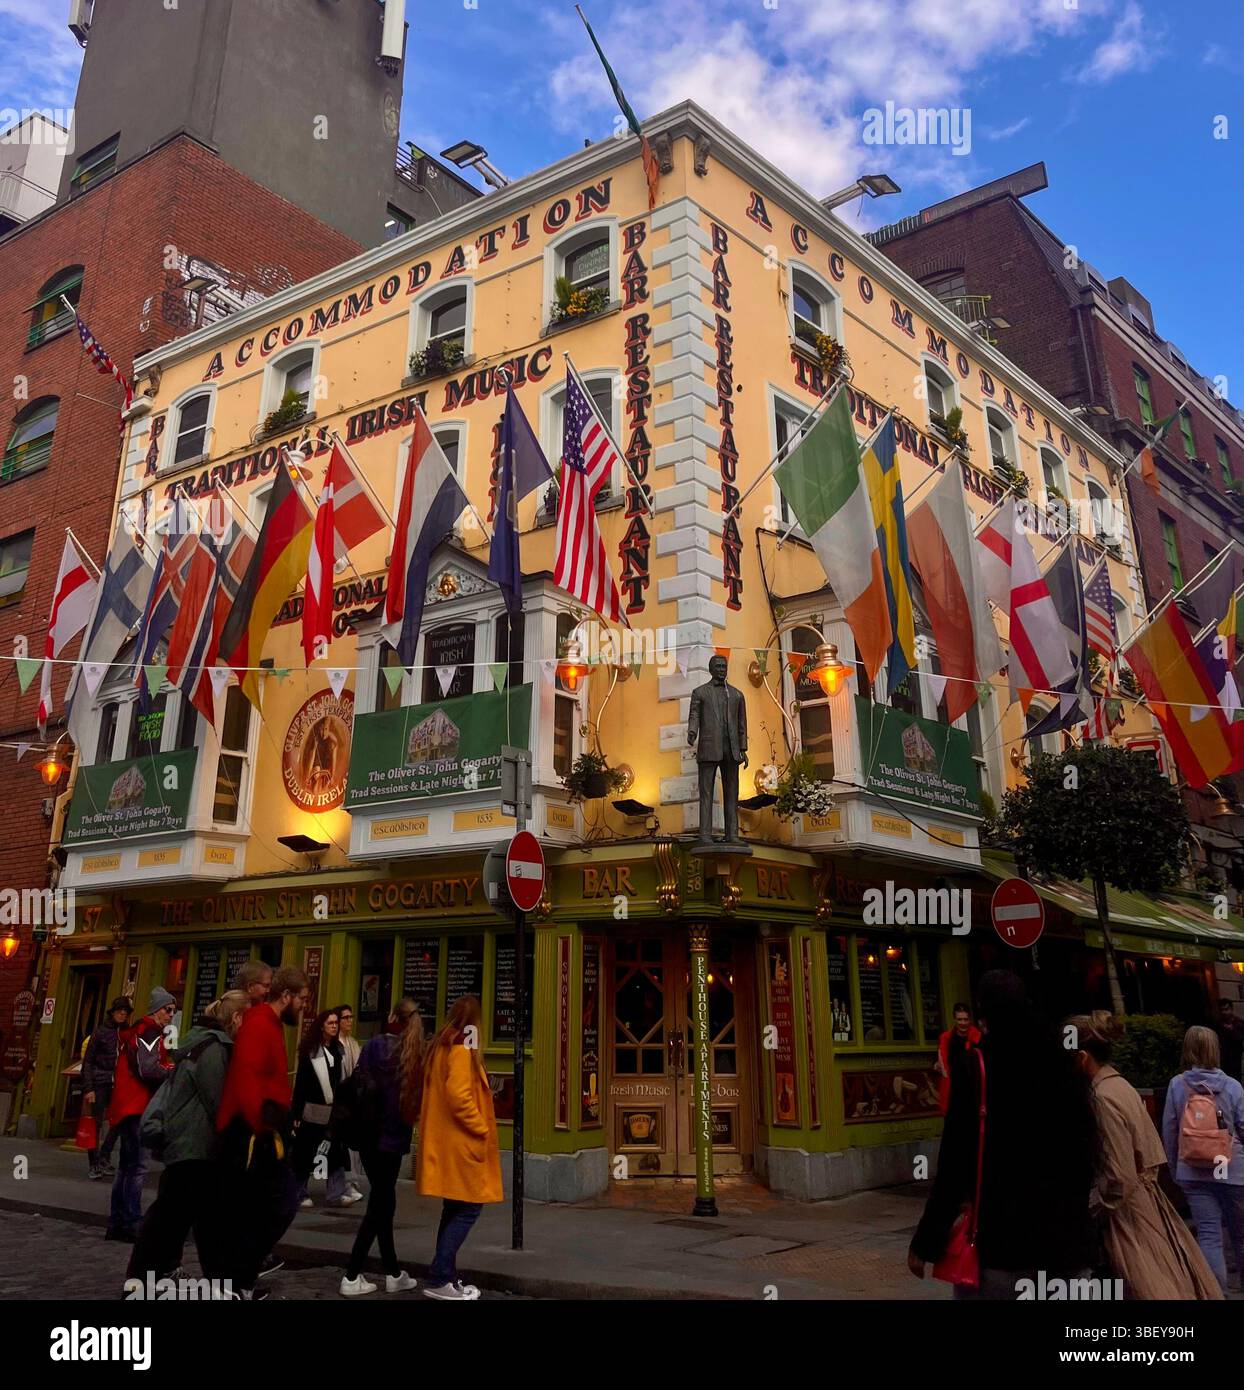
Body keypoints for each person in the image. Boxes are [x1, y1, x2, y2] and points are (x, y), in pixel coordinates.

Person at [907, 970, 1098, 1299]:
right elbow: (1088, 1149)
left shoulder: (977, 1066)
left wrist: (928, 1239)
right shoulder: (1065, 1062)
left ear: (985, 1011)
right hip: (1067, 1243)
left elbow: (955, 1162)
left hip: (1003, 1244)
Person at [1068, 1012, 1220, 1299]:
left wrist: (1087, 1210)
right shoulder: (1121, 1086)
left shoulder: (1101, 1097)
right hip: (1148, 1205)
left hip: (1128, 1217)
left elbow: (1118, 1179)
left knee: (1150, 1288)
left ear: (1082, 1058)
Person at [127, 991, 248, 1286]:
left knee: (192, 1219)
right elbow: (217, 1100)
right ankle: (140, 1280)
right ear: (235, 1018)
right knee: (174, 1218)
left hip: (189, 1143)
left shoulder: (198, 1042)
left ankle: (222, 1282)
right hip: (194, 1144)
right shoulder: (214, 1048)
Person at [216, 966, 309, 1299]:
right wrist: (264, 1128)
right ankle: (239, 1279)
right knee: (277, 1203)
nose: (303, 1007)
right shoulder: (259, 1024)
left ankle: (240, 1280)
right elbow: (247, 1078)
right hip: (253, 1133)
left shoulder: (267, 1024)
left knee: (268, 1205)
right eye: (301, 999)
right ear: (285, 996)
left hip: (264, 1129)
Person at [417, 995, 502, 1300]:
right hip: (461, 1144)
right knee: (469, 1207)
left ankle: (446, 1274)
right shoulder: (461, 1049)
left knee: (453, 1208)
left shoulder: (441, 1046)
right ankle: (441, 1275)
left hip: (448, 1144)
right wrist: (481, 1128)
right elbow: (458, 1096)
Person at [339, 999, 424, 1296]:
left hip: (368, 1136)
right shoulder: (414, 1054)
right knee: (380, 1206)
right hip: (393, 1138)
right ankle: (351, 1275)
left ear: (391, 1017)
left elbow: (358, 1083)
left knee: (383, 1202)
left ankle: (393, 1271)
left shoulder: (373, 1046)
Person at [1162, 1025, 1244, 1294]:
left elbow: (1170, 1130)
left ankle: (1217, 1294)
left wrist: (1176, 1170)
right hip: (1231, 1169)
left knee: (1209, 1236)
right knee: (1241, 1237)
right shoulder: (1233, 1086)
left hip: (1193, 1171)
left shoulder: (1177, 1085)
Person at [104, 988, 175, 1242]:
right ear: (156, 1009)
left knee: (125, 1166)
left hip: (125, 1105)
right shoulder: (150, 1031)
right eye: (168, 1010)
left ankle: (117, 1221)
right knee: (137, 1167)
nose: (171, 1015)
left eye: (173, 1011)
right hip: (137, 1105)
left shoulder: (134, 1031)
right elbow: (148, 1068)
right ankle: (132, 1221)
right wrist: (172, 1071)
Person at [291, 1008, 344, 1208]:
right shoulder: (310, 1051)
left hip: (332, 1109)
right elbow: (301, 1084)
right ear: (321, 1026)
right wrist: (296, 1111)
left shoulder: (338, 1050)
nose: (334, 1026)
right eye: (330, 1023)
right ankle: (299, 1191)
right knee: (305, 1152)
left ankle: (336, 1192)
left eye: (336, 1023)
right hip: (312, 1109)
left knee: (334, 1151)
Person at [81, 997, 133, 1180]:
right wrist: (89, 1088)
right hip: (100, 1081)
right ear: (113, 1012)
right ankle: (94, 1162)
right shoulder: (101, 1032)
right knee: (94, 1123)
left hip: (119, 1083)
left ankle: (105, 1154)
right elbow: (88, 1061)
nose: (123, 1014)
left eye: (126, 1011)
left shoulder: (127, 1033)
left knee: (120, 1120)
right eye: (120, 1010)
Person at [326, 1002, 363, 1206]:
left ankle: (350, 1183)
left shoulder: (353, 1043)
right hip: (338, 1101)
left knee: (350, 1147)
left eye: (351, 1017)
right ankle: (342, 1185)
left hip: (351, 1101)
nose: (349, 1021)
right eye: (345, 1018)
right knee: (338, 1147)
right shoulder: (335, 1045)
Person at [935, 1002, 981, 1116]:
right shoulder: (947, 1039)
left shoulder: (977, 1039)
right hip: (953, 1090)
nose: (963, 1023)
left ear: (970, 1019)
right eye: (959, 1019)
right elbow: (942, 1058)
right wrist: (937, 1064)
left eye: (966, 1019)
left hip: (973, 1090)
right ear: (954, 1019)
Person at [1215, 999, 1244, 1082]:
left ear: (1231, 1009)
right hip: (1223, 1059)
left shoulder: (1239, 1023)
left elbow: (1240, 1039)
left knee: (1236, 1081)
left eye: (1226, 1009)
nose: (1224, 1012)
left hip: (1236, 1058)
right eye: (1221, 1010)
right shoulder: (1218, 1024)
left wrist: (1232, 1030)